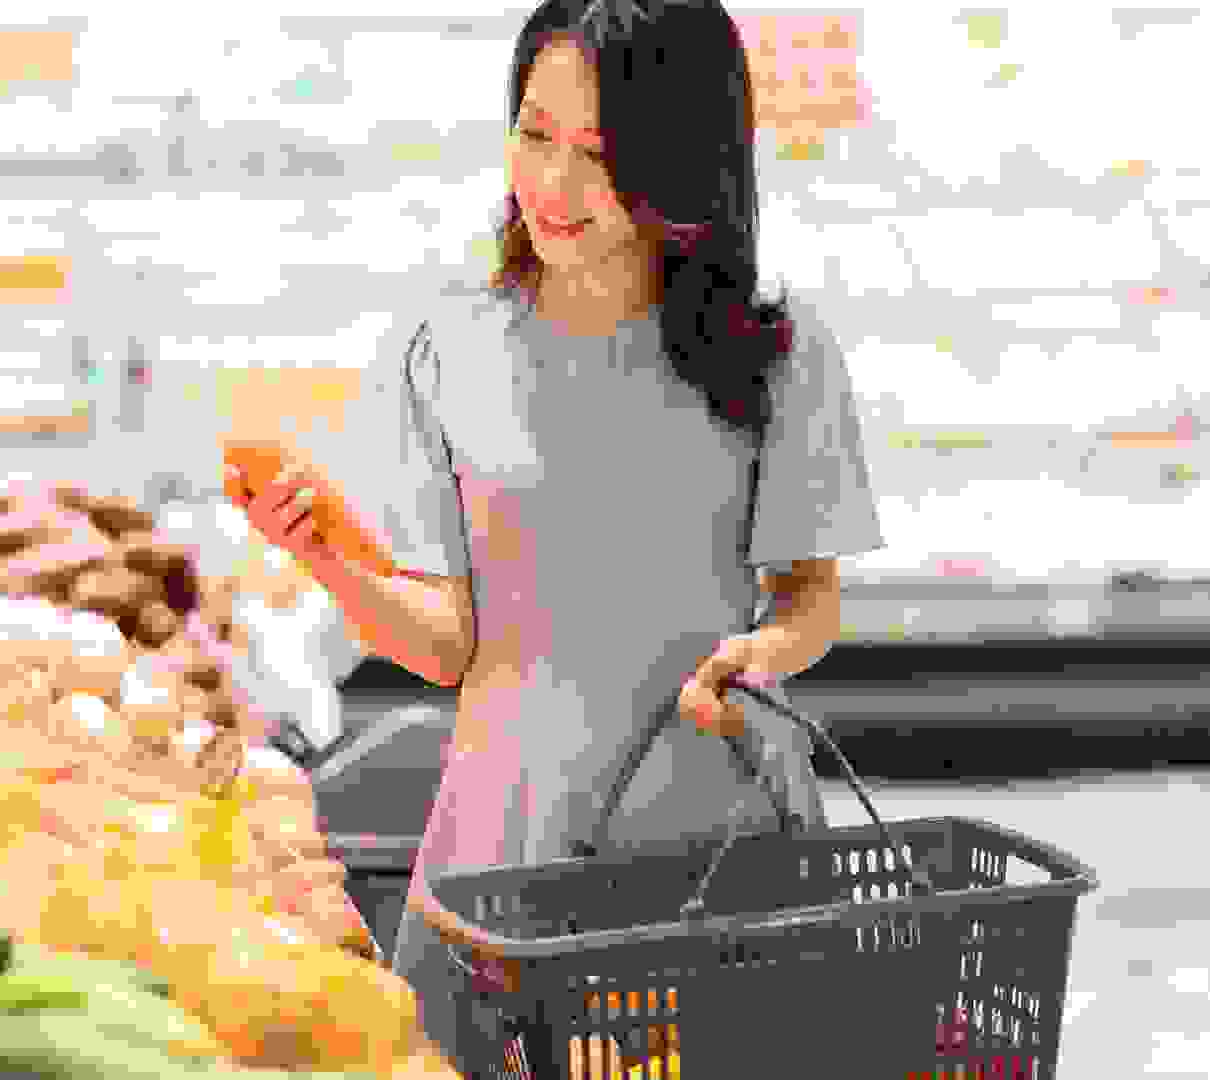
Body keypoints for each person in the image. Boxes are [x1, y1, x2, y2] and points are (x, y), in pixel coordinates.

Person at [223, 0, 884, 1073]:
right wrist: (324, 553)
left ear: (684, 162)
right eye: (535, 135)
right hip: (505, 845)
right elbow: (453, 646)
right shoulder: (452, 342)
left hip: (716, 838)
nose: (556, 187)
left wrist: (762, 653)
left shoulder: (776, 350)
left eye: (601, 153)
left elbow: (810, 598)